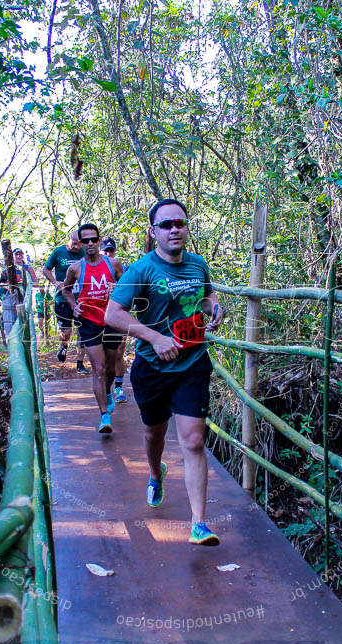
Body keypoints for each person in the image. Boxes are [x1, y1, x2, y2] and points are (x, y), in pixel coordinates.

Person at [105, 199, 226, 546]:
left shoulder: (198, 264)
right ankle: (156, 475)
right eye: (167, 224)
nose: (175, 229)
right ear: (154, 231)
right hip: (153, 368)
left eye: (180, 223)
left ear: (187, 227)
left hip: (192, 363)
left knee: (193, 441)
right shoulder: (142, 270)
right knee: (153, 436)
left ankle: (199, 524)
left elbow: (206, 296)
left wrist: (214, 307)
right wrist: (154, 337)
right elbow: (113, 314)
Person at [62, 224, 124, 433]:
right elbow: (66, 289)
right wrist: (73, 305)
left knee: (109, 367)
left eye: (93, 239)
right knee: (98, 368)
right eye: (85, 240)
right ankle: (104, 416)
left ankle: (107, 392)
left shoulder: (113, 264)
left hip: (111, 320)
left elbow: (126, 289)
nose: (89, 244)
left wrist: (118, 290)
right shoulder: (76, 268)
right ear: (79, 243)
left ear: (99, 241)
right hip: (88, 321)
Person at [42, 230, 89, 375]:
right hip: (63, 298)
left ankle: (80, 363)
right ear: (68, 240)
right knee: (66, 332)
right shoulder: (58, 252)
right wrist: (55, 282)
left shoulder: (84, 253)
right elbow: (46, 269)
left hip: (82, 299)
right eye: (74, 243)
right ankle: (64, 345)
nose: (77, 247)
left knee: (83, 332)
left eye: (79, 244)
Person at [101, 236, 129, 404]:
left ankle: (118, 388)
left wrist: (118, 288)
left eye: (111, 250)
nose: (108, 253)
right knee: (104, 356)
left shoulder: (122, 268)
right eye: (105, 250)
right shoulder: (92, 268)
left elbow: (131, 291)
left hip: (119, 315)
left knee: (119, 352)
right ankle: (105, 390)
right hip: (99, 318)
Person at [0, 248, 36, 340]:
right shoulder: (7, 269)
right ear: (13, 256)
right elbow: (1, 283)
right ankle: (12, 340)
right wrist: (9, 287)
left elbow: (35, 283)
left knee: (26, 319)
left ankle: (27, 340)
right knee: (12, 320)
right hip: (12, 297)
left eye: (20, 254)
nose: (19, 256)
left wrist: (25, 284)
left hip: (25, 297)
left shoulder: (28, 268)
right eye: (16, 254)